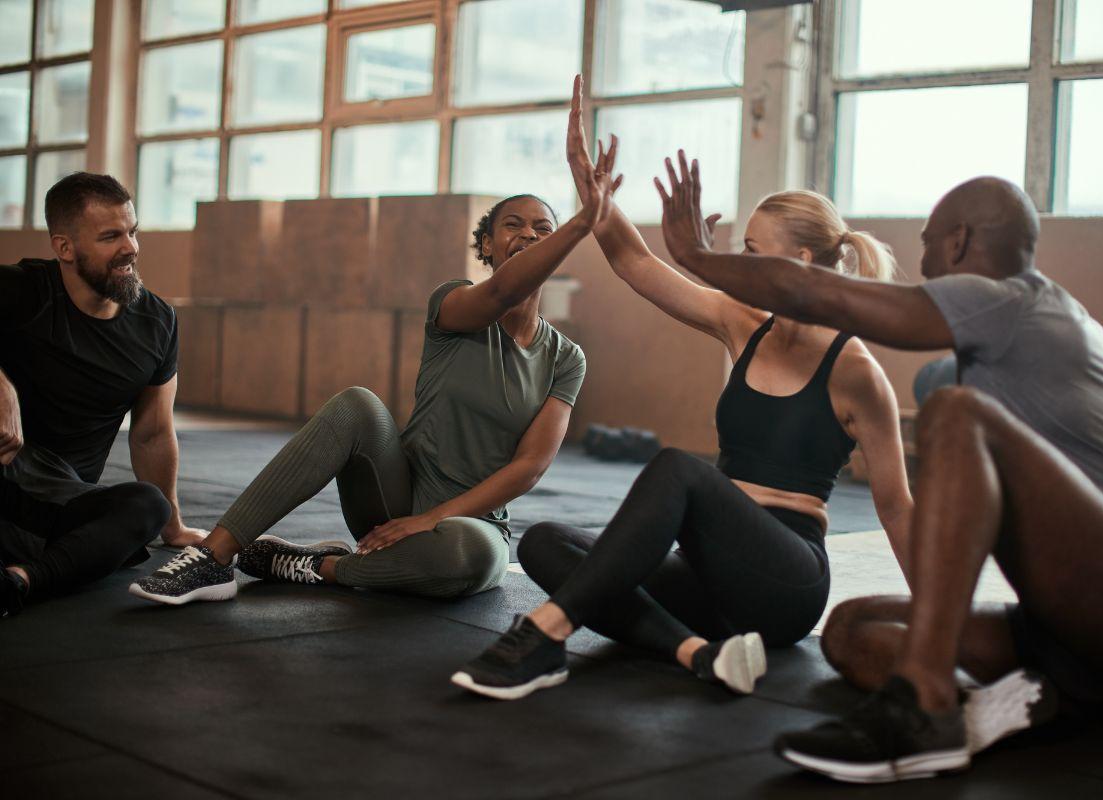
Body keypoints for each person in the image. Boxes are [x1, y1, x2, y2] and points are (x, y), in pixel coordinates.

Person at [654, 163, 1103, 782]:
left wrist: (697, 255)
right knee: (852, 631)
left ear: (960, 241)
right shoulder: (1015, 332)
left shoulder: (1013, 299)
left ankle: (925, 704)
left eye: (929, 239)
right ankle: (998, 710)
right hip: (1079, 647)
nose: (922, 254)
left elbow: (815, 292)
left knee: (954, 410)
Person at [450, 77, 914, 700]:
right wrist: (591, 195)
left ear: (800, 263)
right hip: (708, 577)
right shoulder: (741, 321)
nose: (734, 261)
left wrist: (939, 632)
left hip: (785, 583)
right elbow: (636, 263)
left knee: (679, 469)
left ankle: (543, 635)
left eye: (750, 250)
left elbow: (898, 509)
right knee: (546, 543)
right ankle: (698, 653)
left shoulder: (855, 370)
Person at [129, 108, 618, 606]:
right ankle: (214, 558)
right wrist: (580, 223)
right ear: (487, 246)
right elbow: (499, 297)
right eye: (514, 226)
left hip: (471, 523)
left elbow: (529, 468)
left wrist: (432, 520)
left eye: (544, 229)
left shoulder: (566, 358)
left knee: (472, 559)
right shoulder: (455, 303)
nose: (530, 236)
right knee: (357, 404)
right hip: (393, 495)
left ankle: (314, 566)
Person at [1, 173, 204, 618]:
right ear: (64, 248)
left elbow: (152, 434)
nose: (130, 247)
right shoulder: (23, 290)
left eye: (132, 231)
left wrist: (173, 527)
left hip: (59, 504)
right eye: (111, 236)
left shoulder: (157, 322)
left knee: (145, 504)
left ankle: (19, 582)